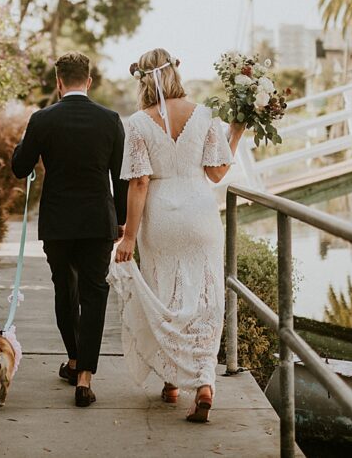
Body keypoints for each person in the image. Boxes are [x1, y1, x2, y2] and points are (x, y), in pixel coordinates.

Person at [107, 47, 243, 423]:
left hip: (161, 216)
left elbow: (138, 182)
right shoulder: (203, 114)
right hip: (200, 212)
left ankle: (170, 382)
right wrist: (236, 133)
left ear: (142, 79)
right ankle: (203, 383)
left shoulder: (137, 122)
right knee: (204, 295)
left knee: (165, 294)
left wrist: (129, 237)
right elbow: (217, 173)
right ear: (176, 71)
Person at [11, 51, 128, 408]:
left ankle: (75, 357)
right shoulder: (110, 120)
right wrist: (120, 219)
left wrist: (27, 141)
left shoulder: (43, 119)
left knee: (65, 290)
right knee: (95, 295)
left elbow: (20, 167)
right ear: (88, 81)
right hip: (97, 222)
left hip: (58, 223)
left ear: (59, 82)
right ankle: (84, 377)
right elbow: (120, 177)